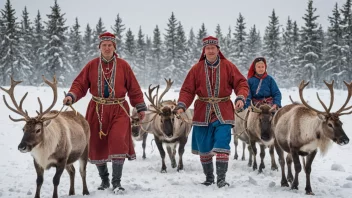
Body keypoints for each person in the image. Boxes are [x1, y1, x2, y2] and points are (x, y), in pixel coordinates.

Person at [63, 32, 147, 192]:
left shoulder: (123, 66)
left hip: (119, 109)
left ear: (114, 47)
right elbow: (80, 84)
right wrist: (71, 96)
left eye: (110, 45)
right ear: (99, 47)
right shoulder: (91, 65)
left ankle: (117, 182)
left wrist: (140, 107)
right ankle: (105, 180)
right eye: (104, 45)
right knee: (96, 143)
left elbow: (134, 89)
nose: (107, 48)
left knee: (117, 141)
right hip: (97, 109)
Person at [174, 36, 249, 188]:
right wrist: (182, 105)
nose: (210, 50)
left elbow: (241, 83)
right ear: (204, 50)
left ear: (217, 49)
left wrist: (241, 97)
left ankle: (221, 180)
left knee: (222, 142)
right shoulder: (196, 68)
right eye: (207, 48)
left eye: (213, 48)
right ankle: (209, 178)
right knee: (204, 146)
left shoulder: (228, 66)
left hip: (224, 110)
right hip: (202, 112)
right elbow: (188, 90)